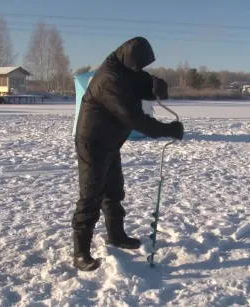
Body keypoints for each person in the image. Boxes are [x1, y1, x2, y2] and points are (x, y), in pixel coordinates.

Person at [72, 36, 184, 271]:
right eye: (139, 64)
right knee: (91, 195)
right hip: (93, 142)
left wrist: (157, 86)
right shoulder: (108, 79)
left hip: (111, 141)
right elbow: (133, 118)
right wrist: (166, 129)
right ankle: (80, 252)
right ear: (129, 58)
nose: (140, 69)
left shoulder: (125, 68)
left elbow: (141, 83)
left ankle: (116, 235)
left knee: (114, 190)